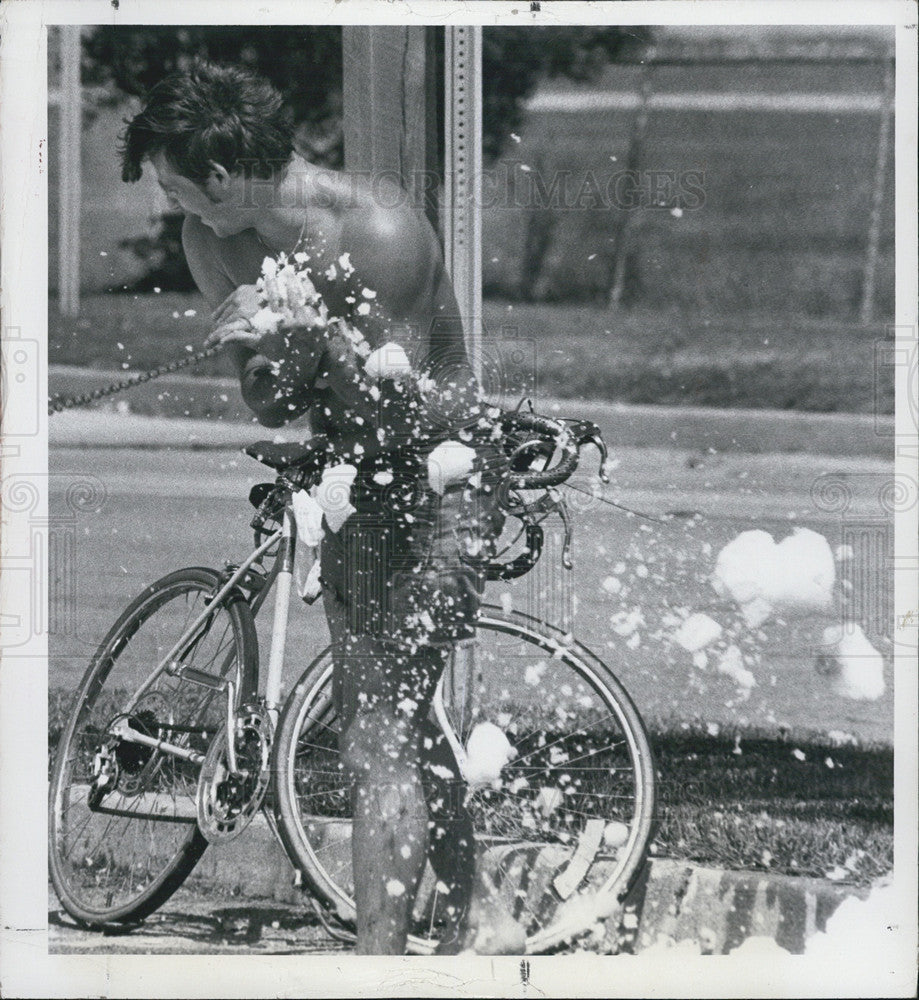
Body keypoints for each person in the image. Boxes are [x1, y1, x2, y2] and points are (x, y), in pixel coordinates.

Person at [120, 61, 524, 955]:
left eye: (175, 180)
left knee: (374, 729)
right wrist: (263, 357)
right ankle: (480, 915)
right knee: (394, 717)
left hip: (441, 479)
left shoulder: (376, 229)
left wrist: (301, 336)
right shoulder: (213, 241)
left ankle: (377, 965)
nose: (169, 197)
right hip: (353, 478)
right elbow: (269, 403)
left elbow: (407, 406)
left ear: (223, 174)